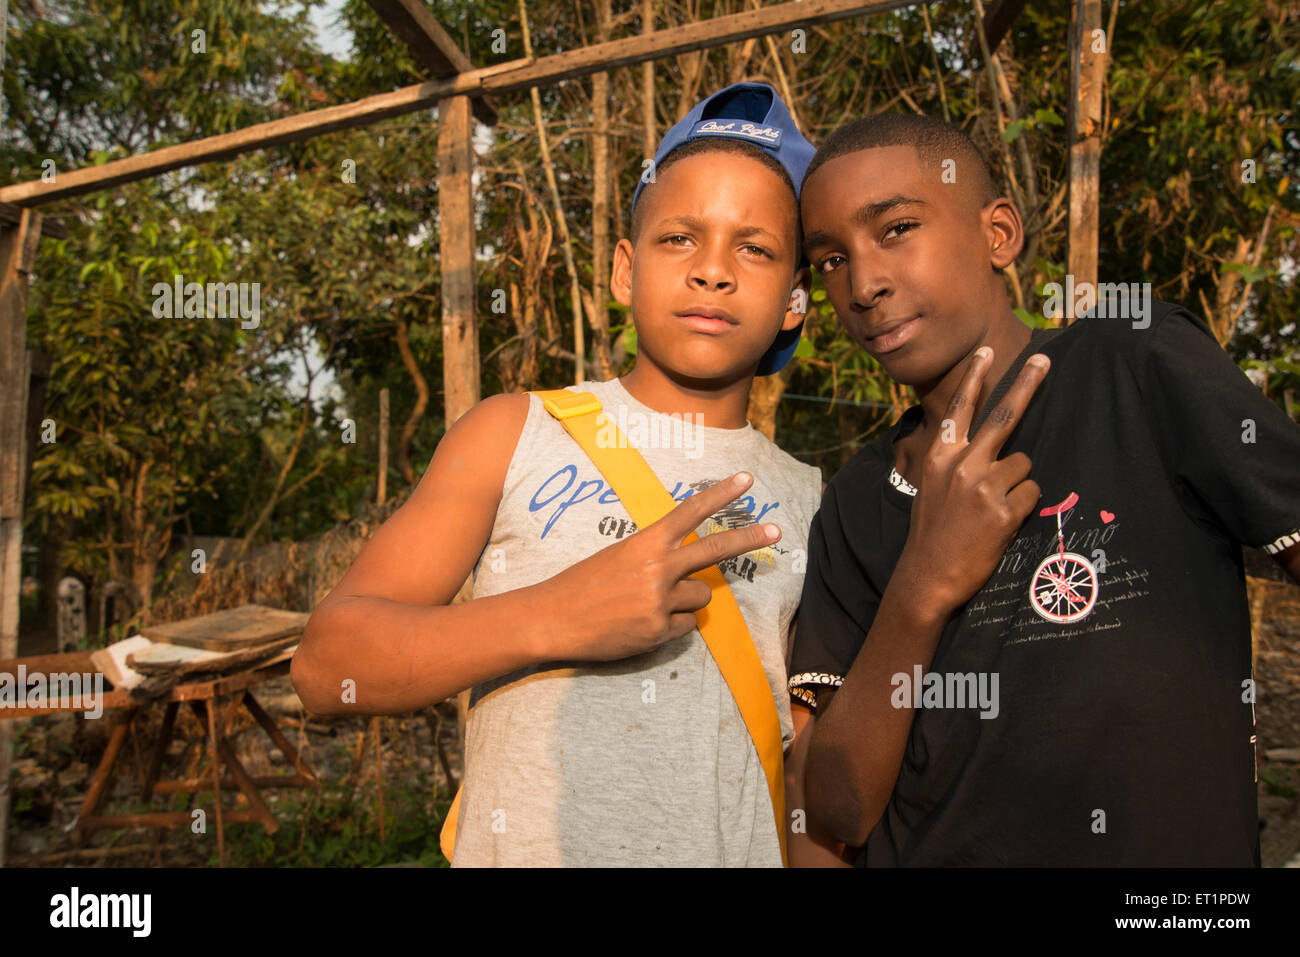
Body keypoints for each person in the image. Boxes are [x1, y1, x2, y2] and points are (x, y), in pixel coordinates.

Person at [292, 82, 824, 866]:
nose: (714, 270)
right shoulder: (514, 431)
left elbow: (814, 778)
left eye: (755, 248)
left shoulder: (819, 502)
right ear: (622, 270)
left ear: (794, 302)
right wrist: (556, 615)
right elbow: (327, 665)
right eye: (679, 237)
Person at [787, 113, 1300, 866]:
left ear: (998, 232)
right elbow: (835, 806)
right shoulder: (857, 503)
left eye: (895, 228)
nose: (864, 284)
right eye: (831, 259)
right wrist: (920, 590)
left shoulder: (1135, 367)